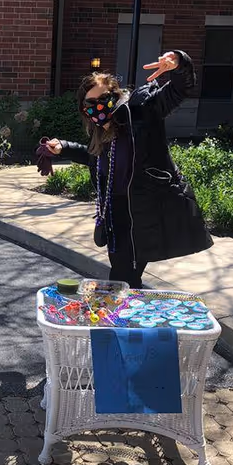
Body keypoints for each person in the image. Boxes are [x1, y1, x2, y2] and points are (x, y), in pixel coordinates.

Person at [46, 51, 213, 288]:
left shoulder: (142, 112)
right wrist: (64, 147)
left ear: (115, 95)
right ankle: (127, 316)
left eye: (102, 99)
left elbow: (179, 90)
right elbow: (97, 160)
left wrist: (179, 64)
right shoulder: (101, 132)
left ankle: (120, 319)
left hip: (142, 211)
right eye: (90, 104)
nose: (97, 108)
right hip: (114, 214)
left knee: (123, 277)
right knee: (125, 276)